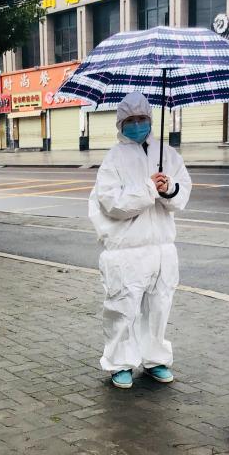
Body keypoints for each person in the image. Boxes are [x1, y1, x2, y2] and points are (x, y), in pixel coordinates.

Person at [87, 91, 192, 389]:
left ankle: (155, 359)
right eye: (131, 120)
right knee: (122, 309)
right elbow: (113, 204)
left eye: (142, 118)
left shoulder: (167, 155)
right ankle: (120, 363)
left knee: (159, 308)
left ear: (150, 119)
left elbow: (182, 193)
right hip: (126, 250)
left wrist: (168, 188)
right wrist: (149, 189)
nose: (137, 125)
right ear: (121, 124)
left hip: (162, 249)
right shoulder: (114, 159)